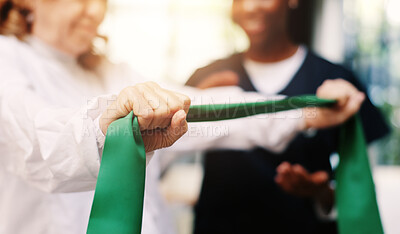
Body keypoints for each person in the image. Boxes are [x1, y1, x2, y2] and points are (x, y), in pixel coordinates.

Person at [0, 0, 366, 234]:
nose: (95, 11)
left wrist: (304, 112)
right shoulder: (7, 62)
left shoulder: (111, 72)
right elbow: (41, 145)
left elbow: (205, 112)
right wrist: (109, 125)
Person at [186, 0, 390, 234]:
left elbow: (359, 190)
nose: (249, 7)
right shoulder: (207, 81)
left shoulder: (335, 83)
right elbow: (163, 151)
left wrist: (321, 193)